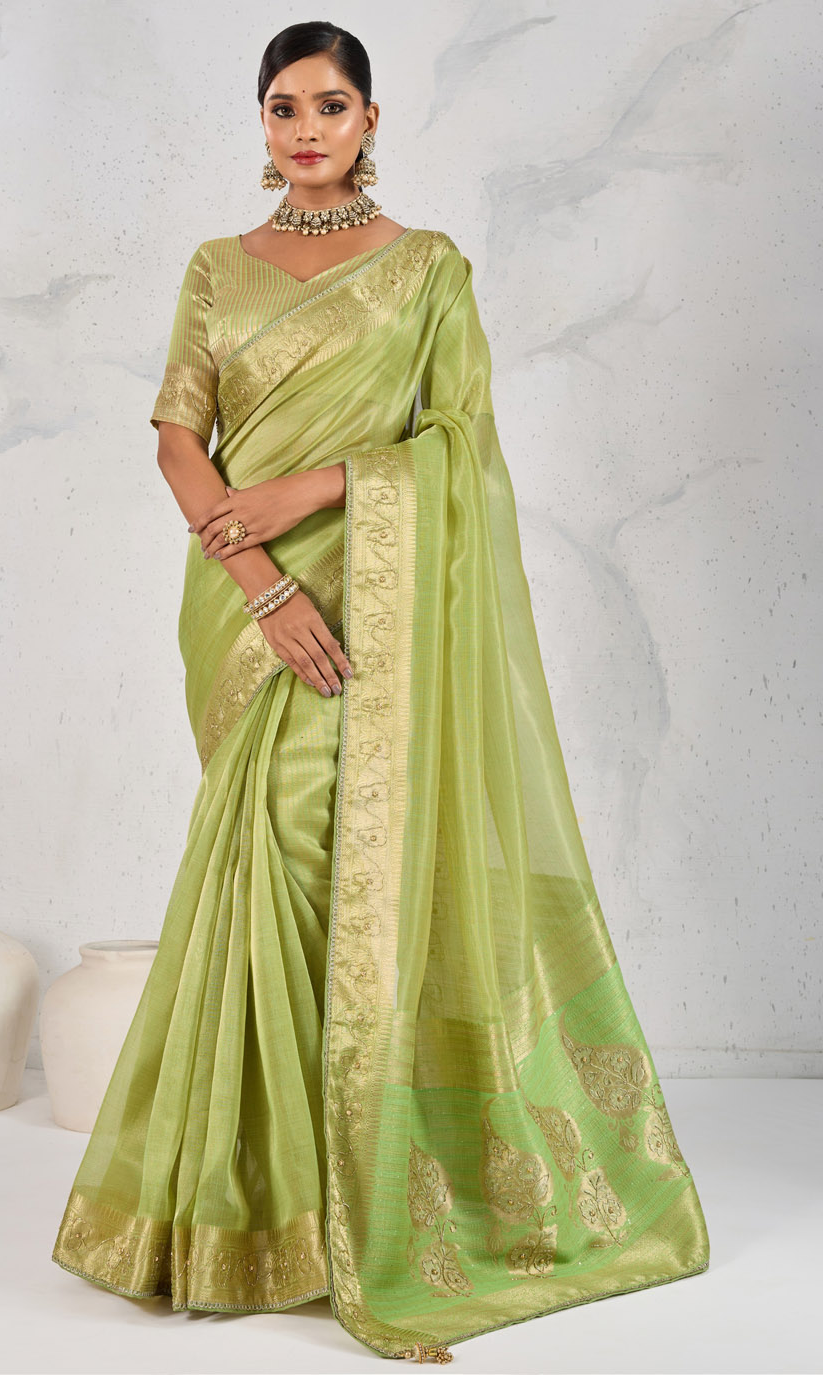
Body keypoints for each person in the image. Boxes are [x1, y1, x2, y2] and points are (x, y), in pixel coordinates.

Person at [51, 21, 710, 1364]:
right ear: (262, 122)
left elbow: (461, 444)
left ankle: (353, 1194)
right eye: (283, 106)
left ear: (369, 119)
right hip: (243, 601)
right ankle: (259, 1206)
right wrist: (263, 584)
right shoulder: (216, 267)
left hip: (379, 597)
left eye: (331, 104)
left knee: (332, 857)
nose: (306, 128)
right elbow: (178, 437)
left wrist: (319, 485)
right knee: (271, 850)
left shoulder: (427, 271)